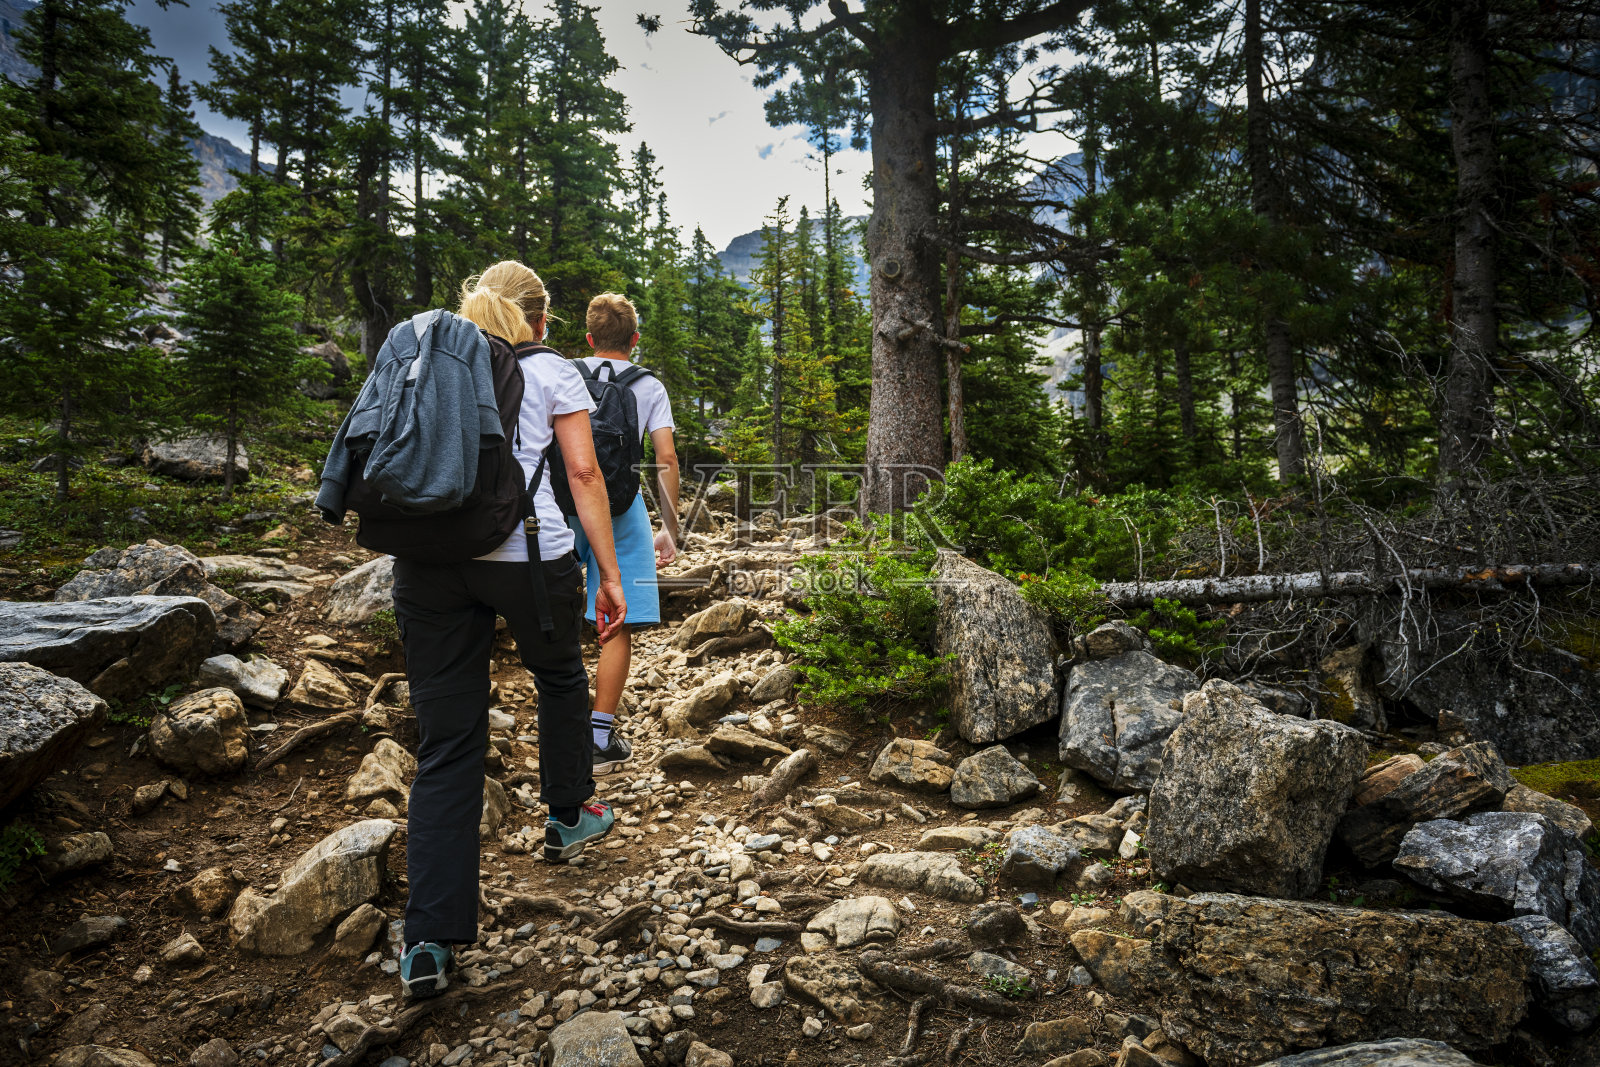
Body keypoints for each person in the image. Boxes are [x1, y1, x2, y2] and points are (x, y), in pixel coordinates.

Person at [392, 261, 627, 998]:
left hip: (428, 562)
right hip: (527, 554)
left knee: (448, 742)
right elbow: (583, 475)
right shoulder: (552, 370)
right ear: (540, 318)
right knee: (558, 676)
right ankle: (568, 815)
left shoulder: (430, 358)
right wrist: (610, 574)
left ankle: (428, 941)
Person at [569, 292, 680, 776]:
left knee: (550, 607)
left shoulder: (564, 373)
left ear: (589, 338)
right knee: (618, 621)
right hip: (619, 506)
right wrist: (670, 528)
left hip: (561, 503)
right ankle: (599, 737)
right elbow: (666, 459)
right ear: (634, 340)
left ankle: (557, 725)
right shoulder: (648, 385)